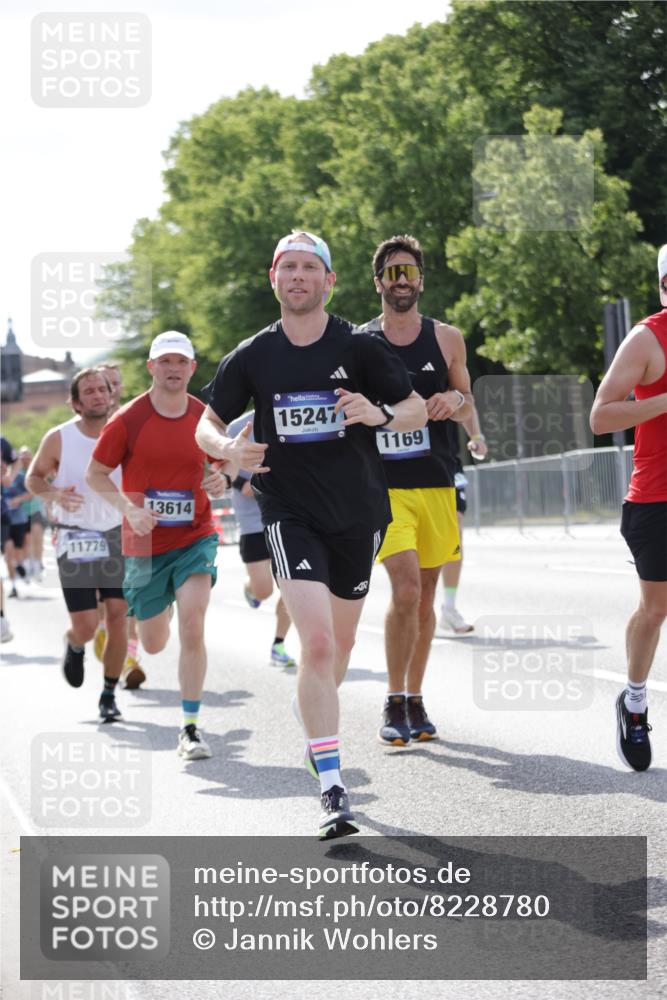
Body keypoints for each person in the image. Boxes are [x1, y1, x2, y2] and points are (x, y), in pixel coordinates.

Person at [195, 231, 425, 839]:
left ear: (329, 280)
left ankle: (313, 724)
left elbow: (415, 407)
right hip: (288, 511)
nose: (298, 276)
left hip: (357, 514)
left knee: (340, 647)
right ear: (273, 279)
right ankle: (332, 786)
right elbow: (207, 423)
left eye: (309, 267)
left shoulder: (360, 346)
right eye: (288, 267)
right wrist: (227, 450)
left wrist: (378, 413)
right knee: (317, 644)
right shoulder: (252, 355)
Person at [87, 332, 229, 761]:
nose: (173, 369)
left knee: (193, 623)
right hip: (144, 544)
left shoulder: (204, 416)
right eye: (165, 361)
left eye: (180, 362)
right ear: (151, 367)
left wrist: (222, 477)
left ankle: (190, 727)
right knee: (152, 643)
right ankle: (160, 603)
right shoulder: (127, 420)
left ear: (192, 368)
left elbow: (224, 460)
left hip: (195, 536)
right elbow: (96, 474)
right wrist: (129, 510)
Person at [358, 234, 473, 748]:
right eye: (392, 273)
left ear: (420, 281)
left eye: (409, 272)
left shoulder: (446, 338)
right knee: (404, 589)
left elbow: (467, 400)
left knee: (425, 598)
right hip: (384, 488)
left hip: (436, 483)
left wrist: (454, 400)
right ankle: (392, 698)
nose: (401, 281)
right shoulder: (360, 342)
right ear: (378, 282)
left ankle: (415, 697)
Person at [590, 244, 667, 772]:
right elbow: (600, 417)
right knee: (656, 609)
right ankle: (634, 702)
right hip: (656, 499)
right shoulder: (647, 339)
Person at [26, 369, 128, 722]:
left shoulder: (126, 430)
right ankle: (74, 642)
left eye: (102, 389)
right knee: (86, 625)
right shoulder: (59, 437)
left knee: (119, 616)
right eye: (89, 391)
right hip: (75, 535)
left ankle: (109, 694)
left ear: (111, 394)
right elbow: (33, 478)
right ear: (76, 402)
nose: (98, 395)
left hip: (119, 533)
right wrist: (54, 494)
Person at [227, 410, 298, 669]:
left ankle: (279, 644)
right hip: (252, 520)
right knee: (264, 590)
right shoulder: (237, 426)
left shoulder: (290, 415)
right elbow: (219, 468)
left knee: (294, 587)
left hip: (289, 516)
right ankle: (251, 588)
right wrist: (242, 483)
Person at [94, 361, 146, 689]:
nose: (109, 390)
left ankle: (129, 660)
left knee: (132, 601)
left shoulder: (135, 420)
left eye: (114, 383)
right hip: (97, 526)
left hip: (133, 522)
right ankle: (113, 644)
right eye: (103, 384)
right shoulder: (84, 428)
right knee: (110, 606)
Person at [438, 405, 488, 635]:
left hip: (445, 459)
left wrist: (476, 436)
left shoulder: (449, 375)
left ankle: (449, 608)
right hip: (399, 462)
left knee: (454, 528)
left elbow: (465, 400)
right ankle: (416, 606)